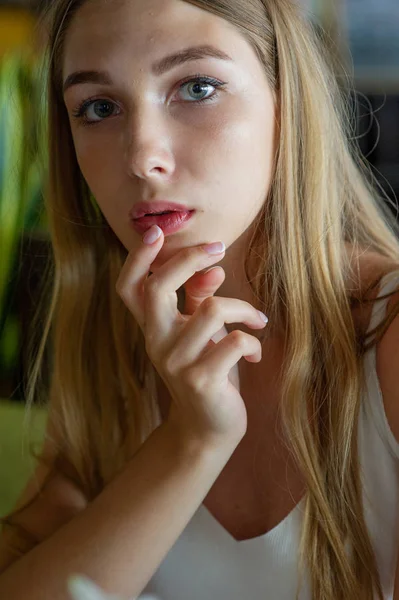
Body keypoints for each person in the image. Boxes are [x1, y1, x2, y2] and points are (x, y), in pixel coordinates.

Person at [0, 0, 399, 599]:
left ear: (286, 104)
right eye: (100, 108)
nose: (142, 158)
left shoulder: (388, 334)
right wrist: (193, 440)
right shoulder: (113, 335)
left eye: (198, 86)